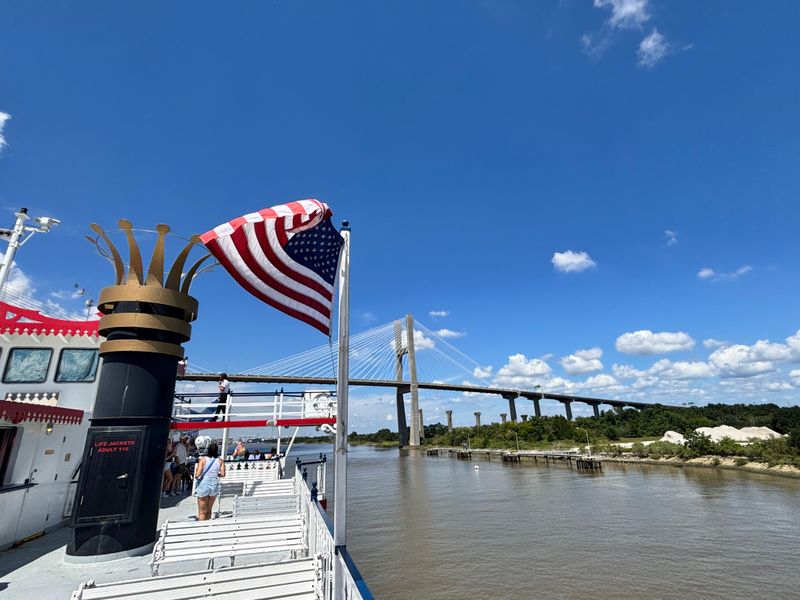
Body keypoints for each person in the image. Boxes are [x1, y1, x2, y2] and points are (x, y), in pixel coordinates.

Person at [194, 442, 226, 520]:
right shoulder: (220, 461)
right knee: (209, 510)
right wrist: (216, 474)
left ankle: (202, 526)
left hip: (204, 483)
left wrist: (196, 472)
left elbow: (197, 475)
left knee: (202, 512)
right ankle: (207, 525)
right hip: (214, 483)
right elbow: (223, 474)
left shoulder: (203, 460)